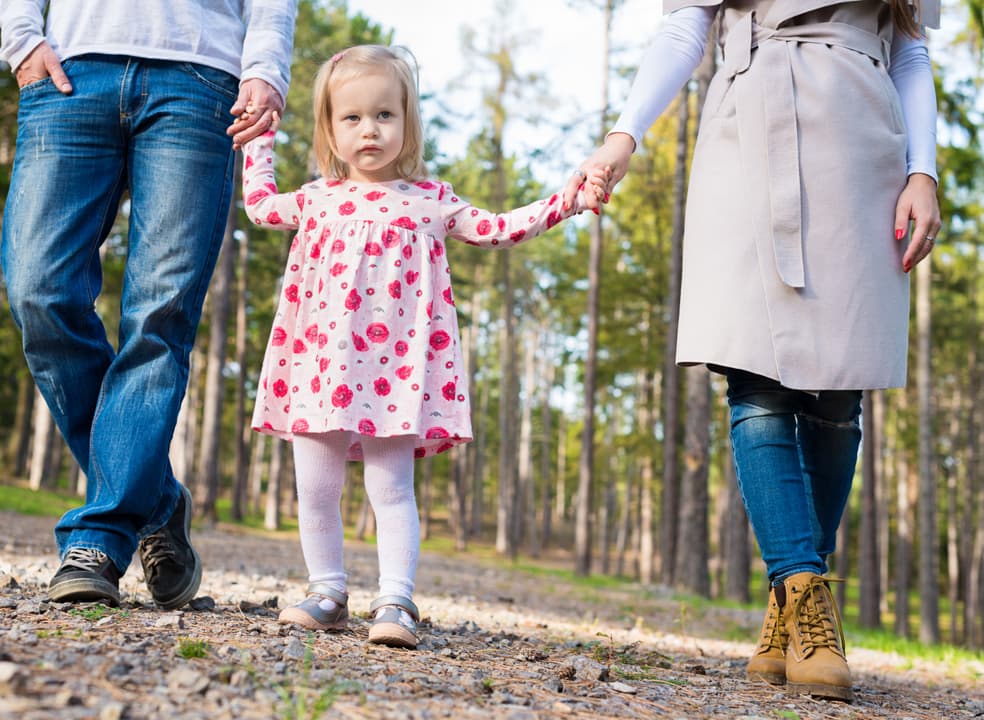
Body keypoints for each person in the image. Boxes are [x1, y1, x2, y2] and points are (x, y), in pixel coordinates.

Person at [563, 0, 942, 703]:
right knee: (756, 374)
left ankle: (790, 612)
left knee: (839, 387)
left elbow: (910, 47)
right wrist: (624, 136)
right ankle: (804, 591)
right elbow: (685, 25)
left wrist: (925, 170)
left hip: (863, 138)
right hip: (747, 123)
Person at [240, 45, 605, 648]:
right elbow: (257, 205)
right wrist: (260, 139)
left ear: (408, 122)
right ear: (329, 127)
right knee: (316, 486)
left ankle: (396, 601)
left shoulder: (430, 199)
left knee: (390, 488)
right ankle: (326, 590)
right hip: (317, 364)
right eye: (351, 118)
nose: (369, 130)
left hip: (394, 372)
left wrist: (566, 201)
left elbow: (496, 229)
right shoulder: (316, 198)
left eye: (385, 115)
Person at [0, 0, 297, 609]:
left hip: (200, 80)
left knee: (159, 316)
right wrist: (22, 38)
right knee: (38, 290)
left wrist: (266, 68)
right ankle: (156, 498)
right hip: (70, 72)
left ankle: (100, 540)